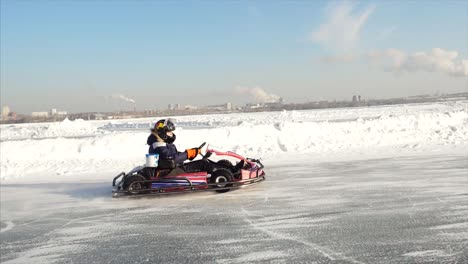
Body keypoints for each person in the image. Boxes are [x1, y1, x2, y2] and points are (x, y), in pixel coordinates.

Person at [147, 119, 244, 174]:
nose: (171, 134)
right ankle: (232, 172)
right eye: (169, 132)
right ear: (163, 133)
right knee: (203, 164)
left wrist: (191, 153)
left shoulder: (162, 143)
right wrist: (188, 154)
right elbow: (172, 158)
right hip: (169, 172)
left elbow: (174, 156)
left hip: (173, 168)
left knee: (205, 161)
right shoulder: (158, 144)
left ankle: (229, 168)